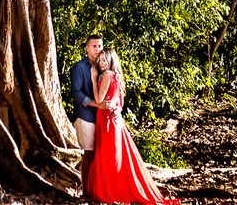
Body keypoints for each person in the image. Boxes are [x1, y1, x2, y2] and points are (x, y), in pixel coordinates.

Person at [85, 48, 179, 205]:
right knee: (114, 156)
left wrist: (94, 80)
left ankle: (109, 192)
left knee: (106, 157)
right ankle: (115, 190)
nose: (101, 63)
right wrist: (112, 107)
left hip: (107, 120)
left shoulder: (107, 75)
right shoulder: (117, 77)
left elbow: (99, 99)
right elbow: (119, 104)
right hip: (115, 121)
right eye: (100, 60)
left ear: (111, 60)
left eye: (104, 60)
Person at [70, 34, 104, 195]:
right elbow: (76, 93)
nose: (97, 49)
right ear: (86, 48)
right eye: (94, 46)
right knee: (89, 153)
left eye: (100, 46)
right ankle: (86, 191)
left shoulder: (104, 66)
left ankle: (98, 189)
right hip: (85, 116)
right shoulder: (79, 67)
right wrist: (96, 104)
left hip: (102, 117)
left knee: (101, 153)